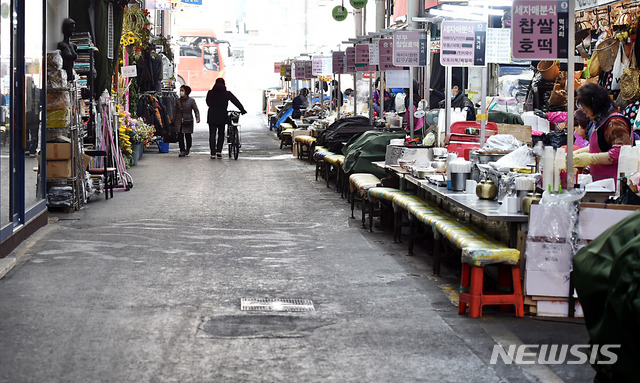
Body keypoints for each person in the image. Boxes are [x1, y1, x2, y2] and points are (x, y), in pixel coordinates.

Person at [573, 83, 633, 181]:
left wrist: (591, 158)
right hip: (602, 182)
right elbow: (600, 145)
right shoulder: (602, 121)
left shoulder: (615, 122)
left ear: (595, 106)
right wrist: (578, 153)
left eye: (587, 110)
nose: (587, 115)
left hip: (614, 184)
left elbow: (620, 153)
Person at [206, 78, 246, 159]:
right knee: (221, 134)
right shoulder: (226, 93)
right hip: (222, 115)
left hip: (212, 115)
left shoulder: (210, 93)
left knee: (212, 134)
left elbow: (208, 102)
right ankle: (219, 152)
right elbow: (235, 101)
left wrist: (213, 106)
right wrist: (242, 110)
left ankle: (212, 153)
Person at [174, 85, 200, 157]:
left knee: (188, 136)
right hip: (179, 121)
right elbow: (175, 111)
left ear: (186, 92)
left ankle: (188, 148)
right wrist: (172, 121)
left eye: (182, 90)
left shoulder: (191, 101)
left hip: (188, 120)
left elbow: (196, 110)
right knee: (180, 136)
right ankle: (182, 150)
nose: (181, 92)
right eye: (180, 90)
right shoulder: (178, 101)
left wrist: (197, 118)